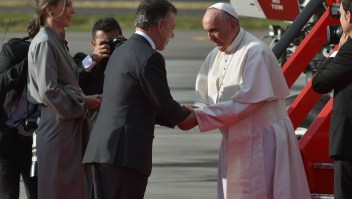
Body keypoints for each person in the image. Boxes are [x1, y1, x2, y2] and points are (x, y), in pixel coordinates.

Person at [178, 3, 311, 199]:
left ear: (232, 24)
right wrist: (196, 110)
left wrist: (198, 116)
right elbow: (203, 96)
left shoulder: (256, 51)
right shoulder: (215, 54)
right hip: (235, 139)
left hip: (263, 140)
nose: (210, 37)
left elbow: (246, 103)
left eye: (214, 30)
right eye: (207, 31)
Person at [82, 0, 191, 198]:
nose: (172, 35)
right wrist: (195, 114)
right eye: (172, 28)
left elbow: (135, 101)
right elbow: (164, 105)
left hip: (102, 152)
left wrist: (181, 111)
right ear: (160, 26)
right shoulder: (149, 57)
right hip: (124, 155)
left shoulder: (120, 51)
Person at [26, 0, 101, 198]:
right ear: (49, 8)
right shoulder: (45, 42)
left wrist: (92, 60)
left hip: (66, 125)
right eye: (67, 4)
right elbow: (48, 91)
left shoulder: (55, 40)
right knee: (58, 189)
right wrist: (85, 103)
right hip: (57, 124)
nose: (73, 10)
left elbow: (70, 76)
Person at [312, 1, 352, 198]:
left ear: (349, 17)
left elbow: (319, 83)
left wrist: (339, 50)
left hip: (349, 146)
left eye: (341, 14)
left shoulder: (349, 51)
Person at [0, 37, 38, 199]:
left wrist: (91, 60)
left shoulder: (57, 56)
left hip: (35, 141)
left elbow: (75, 73)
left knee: (39, 193)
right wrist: (27, 63)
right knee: (7, 195)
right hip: (8, 138)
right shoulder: (14, 50)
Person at [74, 17, 123, 125]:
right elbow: (74, 77)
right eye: (104, 43)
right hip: (90, 125)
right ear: (94, 44)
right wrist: (93, 59)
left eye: (113, 42)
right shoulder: (84, 61)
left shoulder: (125, 63)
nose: (109, 47)